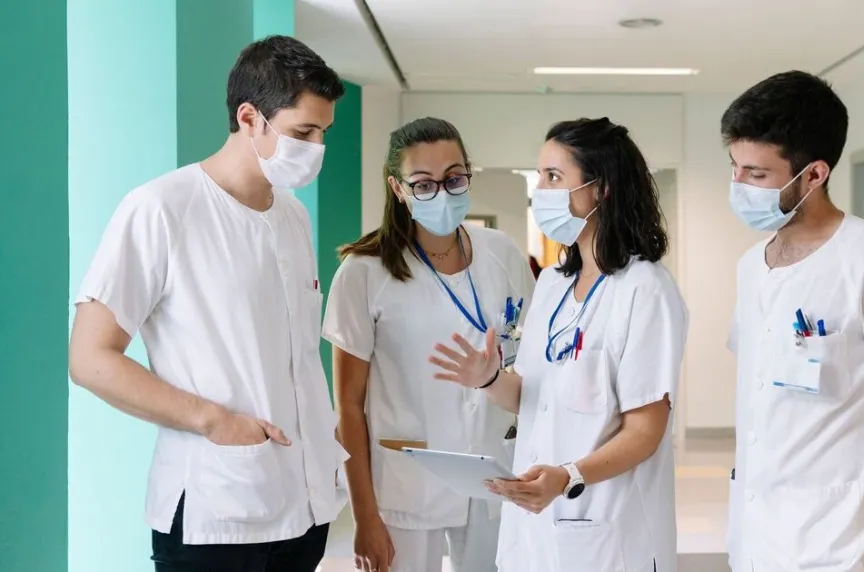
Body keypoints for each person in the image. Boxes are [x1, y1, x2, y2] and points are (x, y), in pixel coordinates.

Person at [67, 36, 348, 572]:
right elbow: (90, 357)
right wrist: (212, 420)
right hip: (214, 515)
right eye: (303, 132)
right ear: (249, 118)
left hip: (305, 510)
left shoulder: (293, 217)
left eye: (324, 134)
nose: (316, 150)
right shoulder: (161, 208)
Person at [427, 117, 689, 572]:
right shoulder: (552, 283)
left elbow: (646, 430)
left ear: (600, 188)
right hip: (536, 523)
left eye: (553, 177)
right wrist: (489, 379)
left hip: (605, 527)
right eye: (539, 176)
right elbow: (532, 396)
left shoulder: (645, 289)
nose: (540, 192)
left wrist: (568, 476)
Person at [721, 70, 864, 572]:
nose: (738, 186)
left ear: (814, 174)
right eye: (734, 168)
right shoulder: (751, 267)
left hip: (842, 548)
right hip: (756, 541)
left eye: (757, 175)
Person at [322, 117, 535, 572]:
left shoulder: (502, 253)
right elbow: (348, 407)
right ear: (397, 189)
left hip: (494, 473)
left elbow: (531, 366)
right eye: (423, 184)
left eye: (454, 178)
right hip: (407, 482)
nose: (442, 192)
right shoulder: (365, 272)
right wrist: (364, 516)